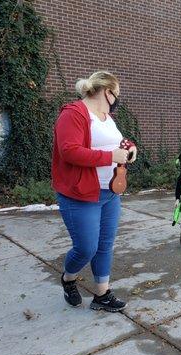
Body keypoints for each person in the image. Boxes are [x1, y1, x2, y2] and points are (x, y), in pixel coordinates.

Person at [52, 71, 137, 312]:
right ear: (107, 92)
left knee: (104, 245)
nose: (118, 99)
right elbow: (69, 151)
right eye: (117, 94)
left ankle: (102, 294)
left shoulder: (107, 117)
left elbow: (117, 142)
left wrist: (130, 147)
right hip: (81, 195)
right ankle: (68, 279)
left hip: (110, 193)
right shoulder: (74, 113)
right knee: (86, 248)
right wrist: (110, 156)